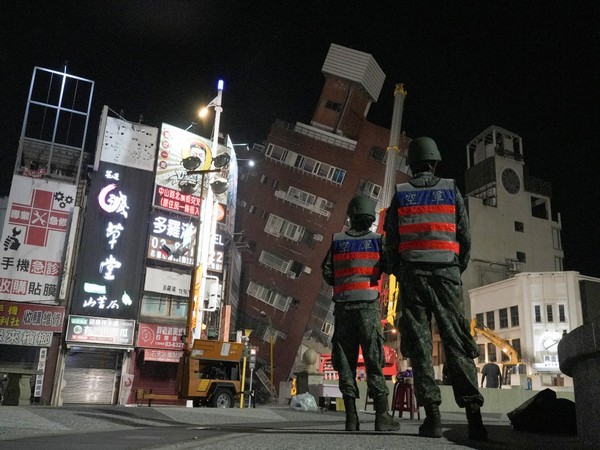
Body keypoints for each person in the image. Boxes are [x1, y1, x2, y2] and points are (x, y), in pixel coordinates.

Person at [383, 137, 488, 441]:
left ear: (411, 163)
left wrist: (398, 269)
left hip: (413, 276)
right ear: (434, 161)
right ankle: (474, 418)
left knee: (419, 345)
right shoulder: (450, 189)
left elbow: (391, 245)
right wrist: (454, 267)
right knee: (456, 341)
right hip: (447, 274)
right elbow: (465, 237)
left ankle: (433, 419)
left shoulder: (401, 195)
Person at [321, 195, 400, 432]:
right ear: (370, 217)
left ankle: (352, 418)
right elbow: (391, 266)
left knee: (346, 361)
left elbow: (326, 272)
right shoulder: (378, 241)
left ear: (351, 215)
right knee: (374, 360)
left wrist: (345, 282)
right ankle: (381, 417)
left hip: (344, 307)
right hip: (368, 307)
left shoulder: (338, 241)